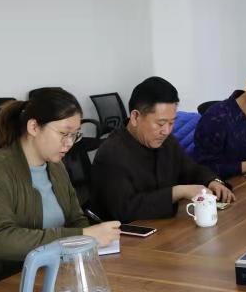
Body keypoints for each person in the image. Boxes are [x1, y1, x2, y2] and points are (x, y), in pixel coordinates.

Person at [0, 88, 119, 292]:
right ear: (34, 127)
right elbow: (1, 241)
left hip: (48, 276)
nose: (69, 143)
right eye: (63, 133)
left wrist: (93, 239)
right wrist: (81, 236)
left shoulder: (56, 167)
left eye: (75, 135)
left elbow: (76, 219)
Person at [90, 77, 234, 223]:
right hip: (126, 234)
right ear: (135, 117)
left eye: (171, 123)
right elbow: (126, 210)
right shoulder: (111, 153)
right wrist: (177, 192)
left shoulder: (167, 141)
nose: (166, 131)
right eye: (160, 123)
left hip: (165, 227)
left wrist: (212, 181)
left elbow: (191, 170)